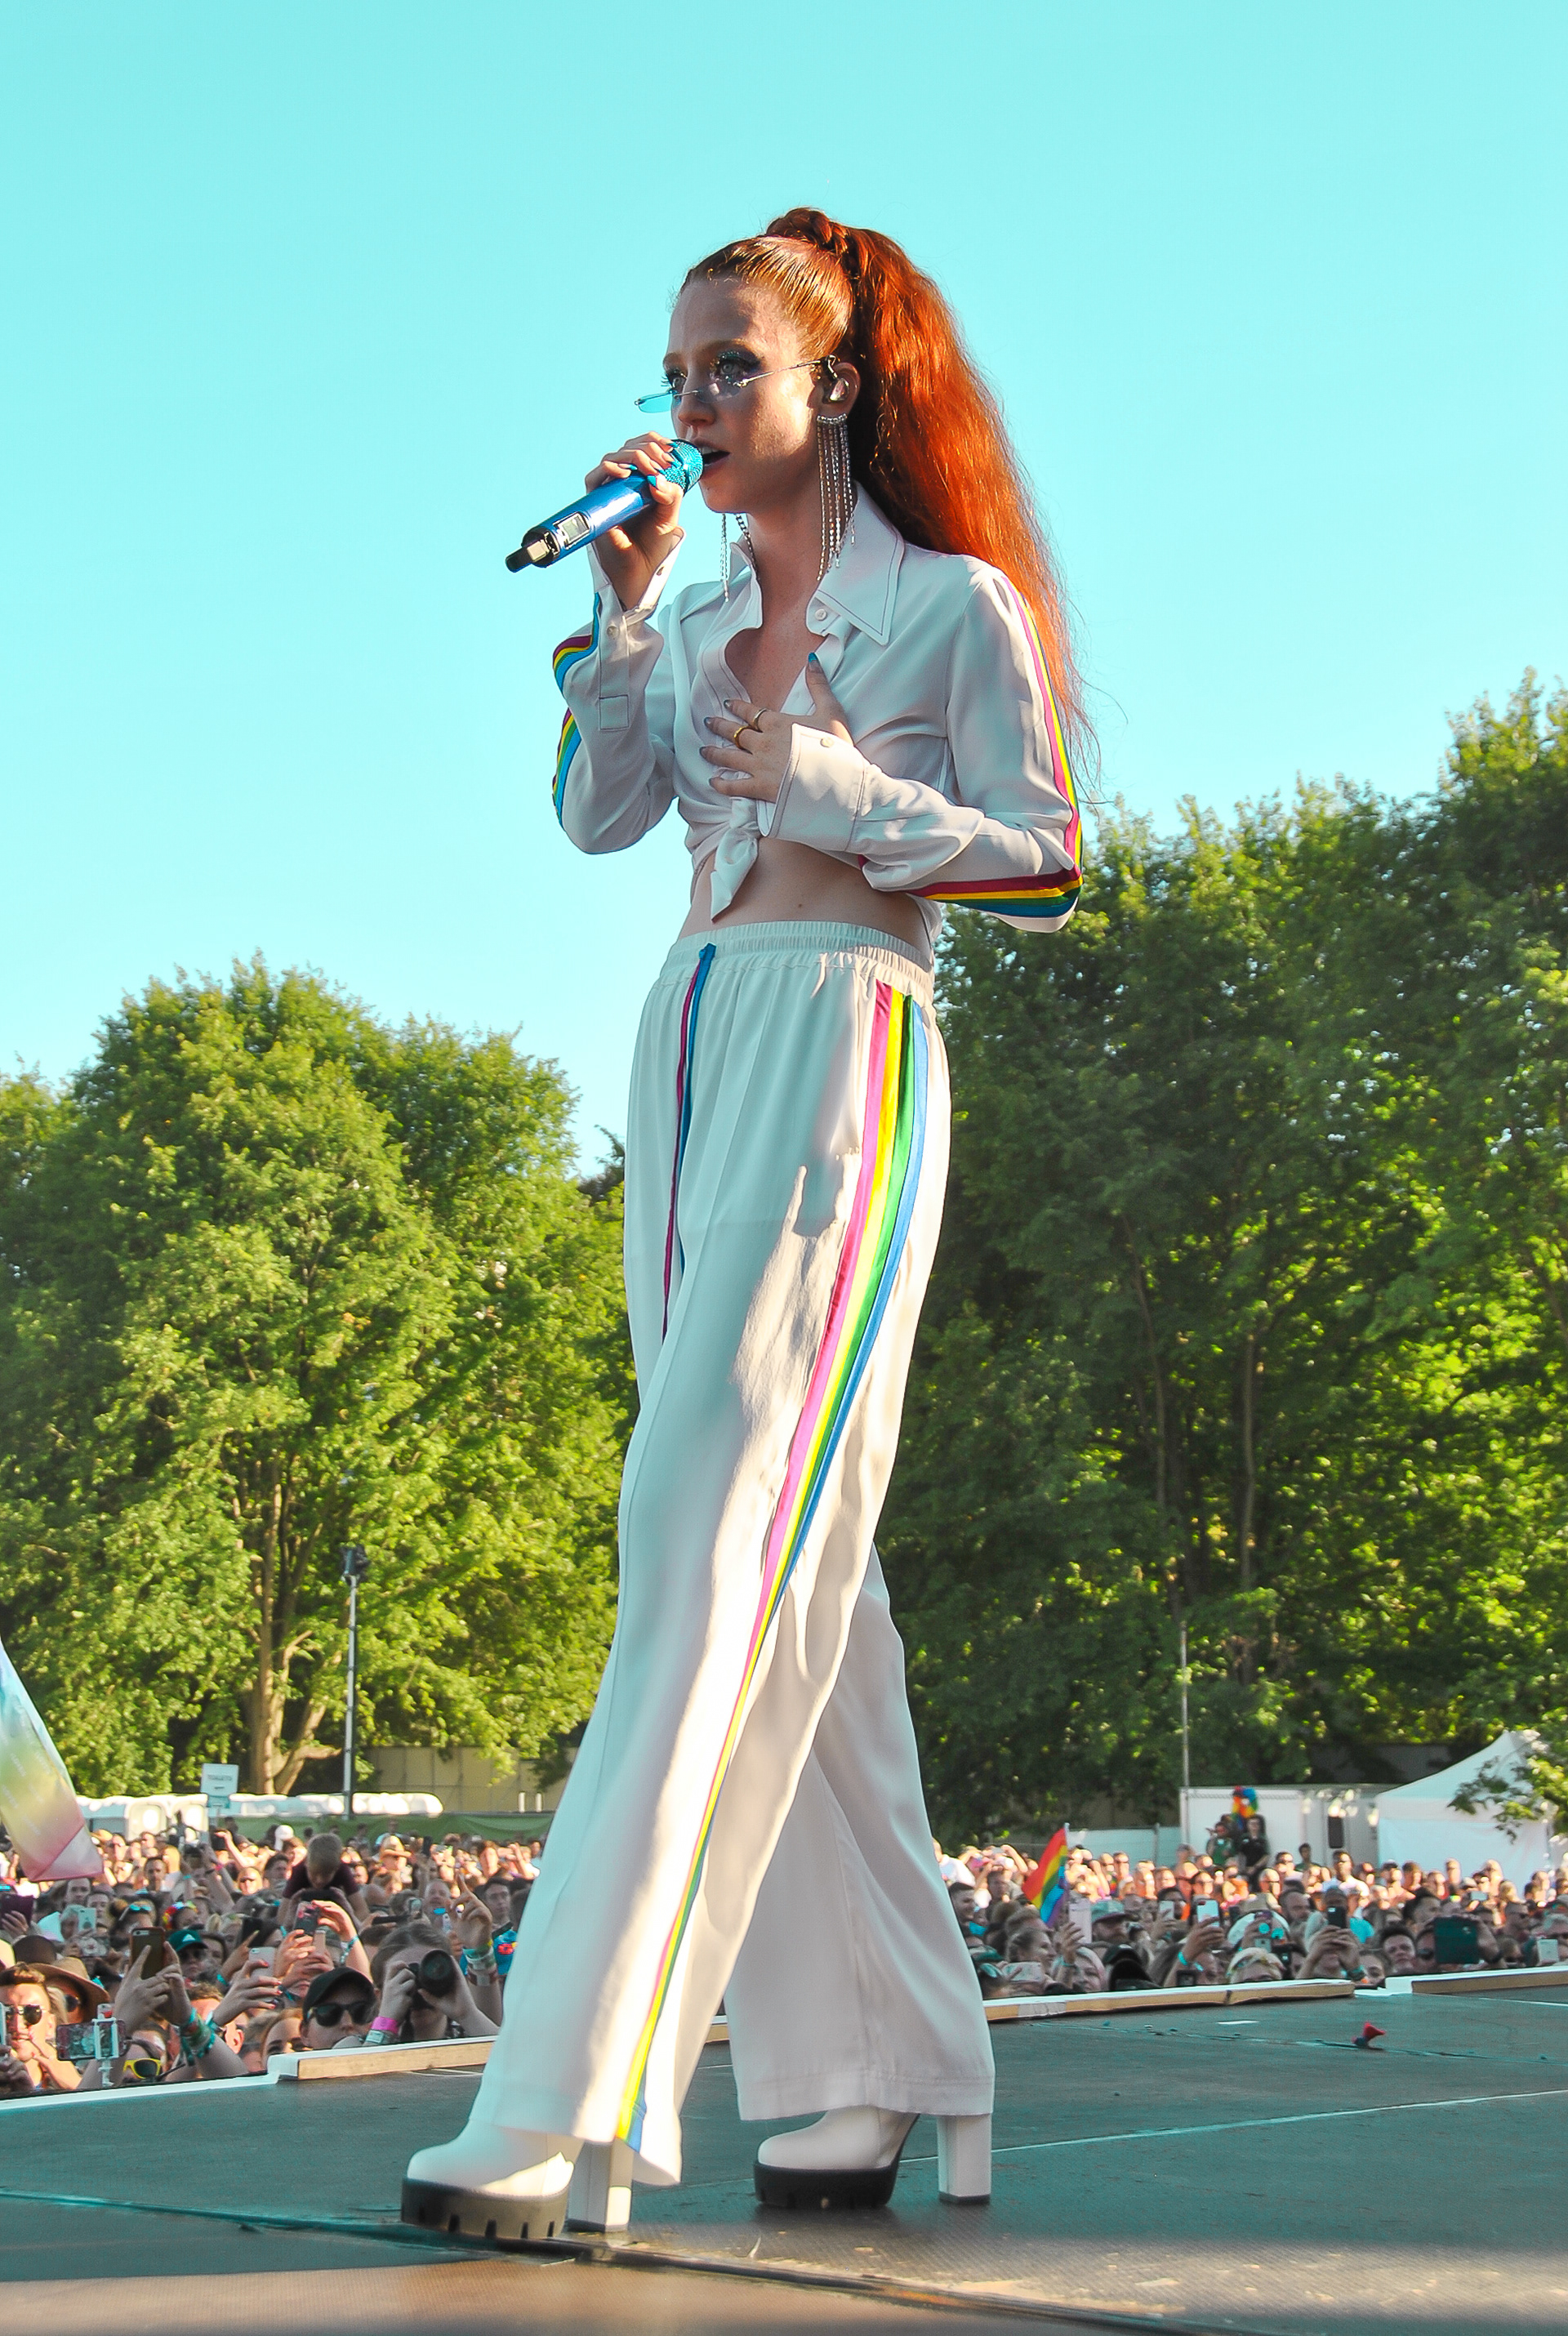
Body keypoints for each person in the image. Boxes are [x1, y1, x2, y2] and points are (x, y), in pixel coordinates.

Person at [404, 207, 1084, 2241]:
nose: (693, 402)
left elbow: (1051, 854)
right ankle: (875, 2061)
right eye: (678, 370)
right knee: (803, 1582)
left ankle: (568, 2102)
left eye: (733, 366)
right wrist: (618, 619)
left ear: (833, 386)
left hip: (848, 1038)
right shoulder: (692, 605)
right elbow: (598, 815)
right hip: (687, 1044)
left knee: (699, 1534)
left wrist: (838, 787)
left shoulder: (952, 605)